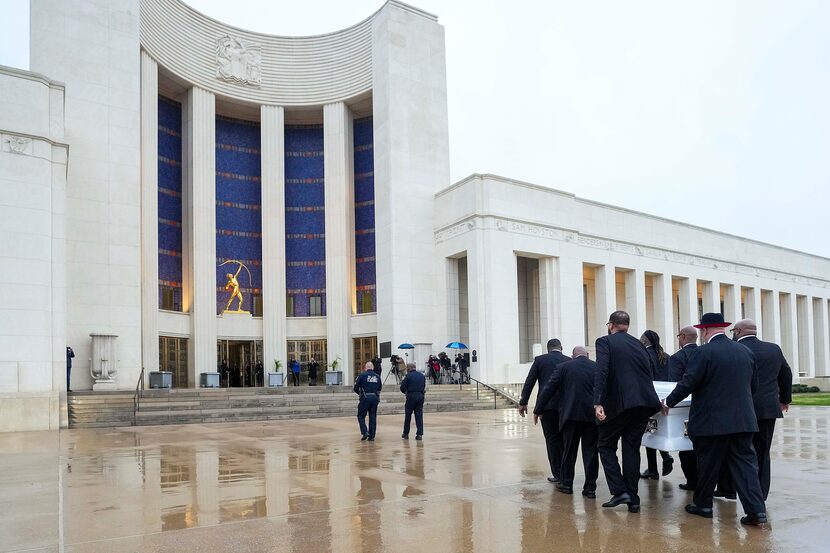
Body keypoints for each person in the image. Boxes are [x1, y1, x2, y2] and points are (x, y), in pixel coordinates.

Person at [662, 313, 767, 526]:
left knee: (707, 464)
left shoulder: (704, 352)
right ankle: (757, 512)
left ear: (705, 330)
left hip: (712, 421)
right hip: (743, 420)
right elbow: (753, 386)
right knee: (745, 466)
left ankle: (703, 505)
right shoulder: (744, 351)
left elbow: (688, 382)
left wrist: (669, 402)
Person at [594, 311, 661, 513]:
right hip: (644, 404)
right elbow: (648, 372)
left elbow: (602, 371)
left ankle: (619, 490)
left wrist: (597, 402)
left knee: (605, 444)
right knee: (631, 448)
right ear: (627, 326)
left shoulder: (604, 342)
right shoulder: (639, 344)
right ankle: (633, 498)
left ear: (611, 325)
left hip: (621, 403)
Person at [732, 318, 792, 501]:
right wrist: (785, 399)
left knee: (740, 452)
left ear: (738, 331)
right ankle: (761, 495)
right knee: (763, 452)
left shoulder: (735, 349)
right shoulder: (773, 349)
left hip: (741, 409)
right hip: (767, 409)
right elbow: (786, 373)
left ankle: (740, 491)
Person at [534, 346, 599, 498]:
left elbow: (548, 389)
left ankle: (566, 483)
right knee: (590, 452)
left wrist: (538, 409)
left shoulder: (563, 367)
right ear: (587, 355)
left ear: (572, 356)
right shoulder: (596, 367)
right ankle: (590, 489)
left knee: (569, 451)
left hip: (570, 416)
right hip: (591, 416)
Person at [518, 338, 571, 483]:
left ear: (547, 349)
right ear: (562, 347)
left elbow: (530, 381)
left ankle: (558, 474)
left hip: (546, 407)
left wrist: (523, 402)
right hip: (565, 407)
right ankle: (566, 473)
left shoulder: (540, 360)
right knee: (565, 440)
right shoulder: (568, 360)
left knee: (552, 440)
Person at [640, 330, 674, 480]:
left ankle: (653, 469)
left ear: (646, 340)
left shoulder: (645, 355)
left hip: (649, 397)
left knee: (650, 431)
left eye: (642, 338)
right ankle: (662, 460)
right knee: (658, 430)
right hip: (664, 397)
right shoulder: (665, 356)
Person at [669, 326, 699, 491]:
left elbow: (675, 384)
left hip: (684, 407)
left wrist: (669, 403)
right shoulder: (705, 353)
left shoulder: (677, 358)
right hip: (704, 406)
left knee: (685, 447)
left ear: (683, 337)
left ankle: (692, 481)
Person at [354, 361, 383, 441]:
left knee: (360, 416)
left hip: (365, 398)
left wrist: (360, 394)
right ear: (372, 368)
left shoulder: (362, 375)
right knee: (373, 416)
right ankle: (372, 436)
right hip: (374, 398)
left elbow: (356, 387)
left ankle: (365, 432)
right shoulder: (377, 376)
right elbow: (380, 388)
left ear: (366, 368)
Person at [400, 362, 426, 440]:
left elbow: (402, 387)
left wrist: (406, 392)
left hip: (411, 396)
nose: (406, 369)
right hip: (420, 396)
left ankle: (406, 433)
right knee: (419, 415)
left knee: (408, 415)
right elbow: (424, 386)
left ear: (409, 368)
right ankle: (420, 434)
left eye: (407, 368)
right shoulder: (422, 376)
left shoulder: (408, 376)